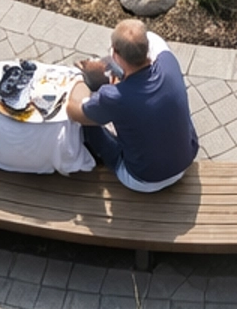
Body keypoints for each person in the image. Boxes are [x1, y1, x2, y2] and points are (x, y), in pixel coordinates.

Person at [66, 18, 199, 192]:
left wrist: (80, 78)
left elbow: (73, 111)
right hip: (184, 160)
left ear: (115, 54)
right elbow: (150, 38)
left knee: (88, 124)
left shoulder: (113, 97)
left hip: (143, 179)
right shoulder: (169, 62)